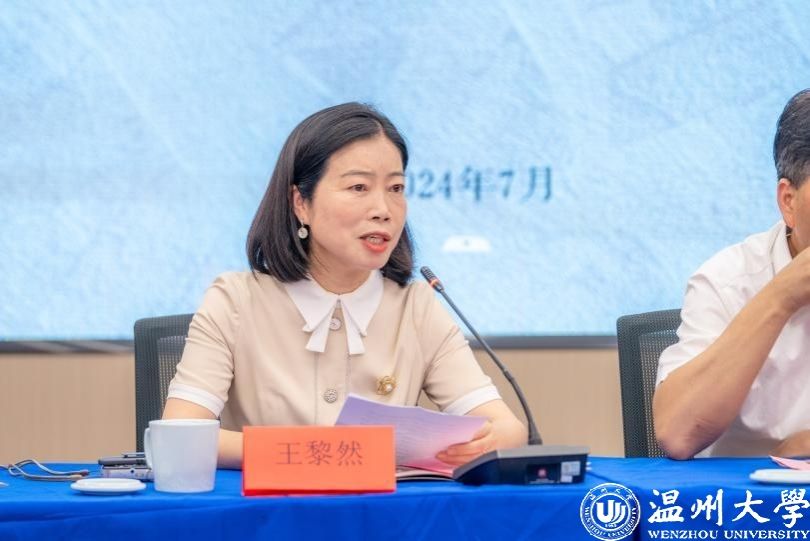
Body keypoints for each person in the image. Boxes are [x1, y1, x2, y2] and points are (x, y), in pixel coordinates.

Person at [162, 102, 528, 468]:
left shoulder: (416, 307)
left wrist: (486, 442)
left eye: (396, 188)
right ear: (300, 203)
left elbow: (508, 430)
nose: (383, 209)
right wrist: (322, 454)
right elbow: (179, 435)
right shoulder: (235, 300)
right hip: (269, 505)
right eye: (358, 187)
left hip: (383, 505)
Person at [654, 89, 810, 459]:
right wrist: (780, 297)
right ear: (788, 201)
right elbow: (677, 435)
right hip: (747, 493)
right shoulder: (728, 280)